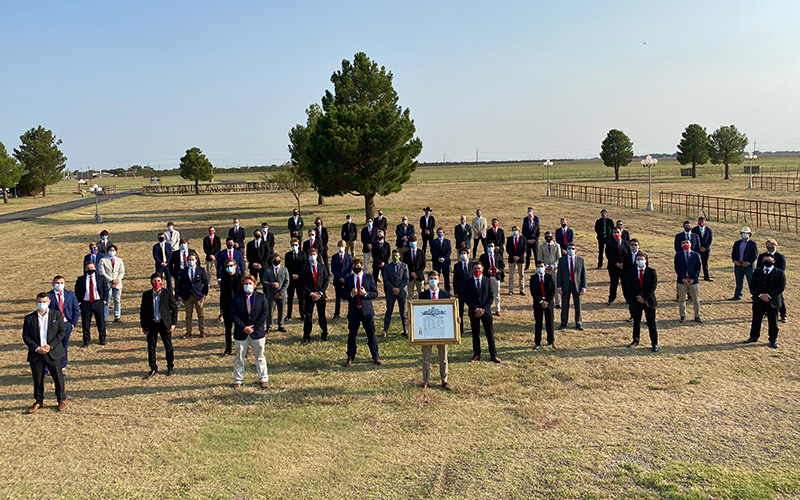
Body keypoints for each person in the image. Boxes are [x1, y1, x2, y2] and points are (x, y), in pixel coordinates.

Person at [23, 293, 66, 413]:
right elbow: (26, 336)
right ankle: (38, 401)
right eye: (40, 302)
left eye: (44, 301)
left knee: (58, 377)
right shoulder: (29, 318)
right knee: (37, 379)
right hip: (36, 354)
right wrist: (37, 348)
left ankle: (61, 400)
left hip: (53, 352)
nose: (42, 304)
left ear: (49, 302)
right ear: (36, 302)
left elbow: (61, 332)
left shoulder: (56, 315)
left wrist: (50, 346)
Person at [231, 275, 270, 389]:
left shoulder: (261, 297)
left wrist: (254, 327)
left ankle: (263, 379)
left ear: (254, 285)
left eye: (250, 283)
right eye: (246, 283)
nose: (248, 285)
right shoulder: (237, 298)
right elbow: (233, 314)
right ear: (243, 285)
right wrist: (244, 327)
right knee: (239, 357)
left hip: (257, 333)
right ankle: (238, 380)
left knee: (260, 357)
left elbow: (264, 313)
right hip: (241, 333)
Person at [418, 271, 452, 390]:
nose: (433, 280)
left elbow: (450, 312)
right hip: (427, 331)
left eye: (435, 278)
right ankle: (426, 380)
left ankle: (444, 379)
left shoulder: (446, 295)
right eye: (431, 278)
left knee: (443, 357)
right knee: (426, 358)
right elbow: (418, 313)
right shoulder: (422, 296)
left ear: (439, 280)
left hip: (442, 331)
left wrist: (455, 319)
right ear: (427, 280)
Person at [140, 273, 178, 379]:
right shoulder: (146, 295)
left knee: (168, 346)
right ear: (151, 282)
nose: (156, 283)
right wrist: (143, 325)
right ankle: (153, 368)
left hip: (164, 323)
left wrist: (173, 323)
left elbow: (174, 308)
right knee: (151, 347)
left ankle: (170, 366)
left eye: (158, 281)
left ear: (162, 282)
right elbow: (143, 311)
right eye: (154, 281)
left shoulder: (167, 293)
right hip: (151, 324)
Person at [344, 258, 382, 366]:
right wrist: (351, 294)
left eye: (359, 265)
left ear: (362, 266)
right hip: (354, 311)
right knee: (352, 335)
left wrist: (365, 294)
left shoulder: (369, 278)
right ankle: (350, 357)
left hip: (367, 311)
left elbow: (375, 293)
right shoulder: (348, 279)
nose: (357, 267)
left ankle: (375, 356)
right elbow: (343, 295)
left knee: (371, 335)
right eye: (355, 266)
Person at [743, 255, 785, 349]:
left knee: (773, 321)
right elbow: (752, 285)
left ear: (773, 261)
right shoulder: (757, 271)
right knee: (756, 319)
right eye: (765, 259)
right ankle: (753, 336)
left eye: (769, 259)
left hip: (773, 301)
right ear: (762, 261)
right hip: (759, 300)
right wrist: (760, 295)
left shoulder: (779, 273)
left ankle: (773, 340)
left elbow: (780, 288)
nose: (767, 261)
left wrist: (768, 295)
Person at [464, 262, 500, 363]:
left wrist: (483, 309)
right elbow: (467, 298)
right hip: (474, 312)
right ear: (472, 270)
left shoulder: (488, 281)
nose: (477, 270)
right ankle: (476, 354)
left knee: (490, 333)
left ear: (482, 269)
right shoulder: (468, 282)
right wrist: (475, 309)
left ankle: (493, 354)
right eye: (475, 268)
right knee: (475, 334)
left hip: (486, 312)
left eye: (479, 268)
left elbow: (491, 296)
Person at [626, 252, 659, 352]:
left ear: (646, 260)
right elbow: (629, 286)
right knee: (636, 321)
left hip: (649, 301)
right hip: (636, 301)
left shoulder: (652, 272)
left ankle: (654, 343)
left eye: (641, 259)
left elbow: (653, 287)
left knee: (651, 322)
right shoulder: (631, 272)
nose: (640, 261)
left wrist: (644, 297)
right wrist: (638, 297)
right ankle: (635, 339)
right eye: (638, 259)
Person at [48, 276, 79, 376]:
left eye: (61, 282)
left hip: (66, 324)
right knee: (52, 345)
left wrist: (73, 323)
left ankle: (62, 366)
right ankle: (48, 368)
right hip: (53, 326)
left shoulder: (70, 294)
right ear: (53, 284)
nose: (59, 284)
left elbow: (76, 309)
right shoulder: (49, 296)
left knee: (64, 346)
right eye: (57, 282)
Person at [75, 261, 110, 346]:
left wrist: (104, 301)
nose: (90, 269)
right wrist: (79, 302)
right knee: (86, 323)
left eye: (91, 267)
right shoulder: (80, 279)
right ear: (85, 269)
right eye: (88, 268)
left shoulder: (101, 278)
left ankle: (102, 339)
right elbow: (77, 291)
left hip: (98, 303)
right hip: (85, 304)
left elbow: (106, 290)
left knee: (100, 322)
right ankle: (86, 340)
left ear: (95, 268)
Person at [301, 249, 330, 344]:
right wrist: (311, 293)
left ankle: (324, 333)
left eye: (314, 254)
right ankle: (306, 336)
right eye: (310, 254)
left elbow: (326, 279)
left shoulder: (322, 267)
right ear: (308, 256)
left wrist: (321, 292)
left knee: (322, 315)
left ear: (317, 255)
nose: (312, 256)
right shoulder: (304, 268)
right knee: (308, 316)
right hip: (310, 296)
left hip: (320, 295)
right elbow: (303, 283)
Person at [178, 253, 209, 339]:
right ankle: (188, 331)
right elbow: (180, 284)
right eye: (189, 260)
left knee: (200, 314)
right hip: (187, 296)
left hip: (198, 295)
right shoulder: (184, 271)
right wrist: (180, 296)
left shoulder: (201, 270)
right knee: (188, 315)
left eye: (193, 260)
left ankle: (202, 331)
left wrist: (204, 294)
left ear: (196, 260)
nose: (191, 261)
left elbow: (205, 283)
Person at [557, 243, 587, 331]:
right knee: (565, 305)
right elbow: (559, 274)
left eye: (573, 248)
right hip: (566, 285)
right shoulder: (562, 260)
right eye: (569, 248)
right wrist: (559, 286)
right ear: (567, 250)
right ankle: (563, 322)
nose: (571, 250)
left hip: (576, 286)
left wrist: (584, 287)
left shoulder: (580, 260)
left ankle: (578, 322)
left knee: (578, 305)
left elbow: (583, 274)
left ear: (575, 250)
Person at [757, 239, 787, 322]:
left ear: (775, 245)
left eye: (771, 245)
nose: (769, 247)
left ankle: (783, 314)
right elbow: (759, 267)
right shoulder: (762, 256)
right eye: (767, 245)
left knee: (779, 297)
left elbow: (782, 269)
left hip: (775, 280)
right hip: (765, 279)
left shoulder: (780, 257)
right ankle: (765, 312)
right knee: (764, 296)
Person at [674, 238, 702, 323]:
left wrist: (693, 278)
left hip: (693, 280)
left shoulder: (696, 255)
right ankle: (682, 315)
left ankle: (697, 315)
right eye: (683, 243)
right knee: (682, 299)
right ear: (681, 245)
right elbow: (677, 268)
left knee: (695, 299)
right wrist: (682, 278)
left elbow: (698, 268)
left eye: (687, 242)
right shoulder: (678, 255)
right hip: (682, 280)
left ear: (690, 243)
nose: (685, 244)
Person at [383, 249, 409, 337]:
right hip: (390, 292)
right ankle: (385, 330)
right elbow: (386, 280)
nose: (395, 257)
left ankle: (406, 329)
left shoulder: (404, 266)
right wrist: (392, 288)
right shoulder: (387, 267)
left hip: (401, 292)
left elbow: (406, 279)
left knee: (403, 312)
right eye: (393, 256)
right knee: (389, 311)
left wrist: (399, 288)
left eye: (396, 256)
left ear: (400, 256)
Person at [530, 261, 556, 350]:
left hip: (549, 303)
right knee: (538, 323)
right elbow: (533, 292)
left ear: (545, 267)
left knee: (550, 322)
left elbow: (553, 291)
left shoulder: (550, 277)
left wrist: (547, 301)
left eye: (541, 266)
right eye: (538, 266)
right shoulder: (533, 278)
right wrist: (541, 301)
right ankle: (537, 342)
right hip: (538, 304)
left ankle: (551, 341)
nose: (540, 268)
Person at [219, 259, 242, 356]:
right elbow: (222, 295)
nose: (229, 268)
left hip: (238, 308)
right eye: (227, 266)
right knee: (228, 329)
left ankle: (240, 349)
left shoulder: (241, 278)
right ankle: (228, 348)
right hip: (227, 307)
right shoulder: (224, 279)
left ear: (235, 266)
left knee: (239, 329)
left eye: (231, 265)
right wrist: (221, 309)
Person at [262, 253, 289, 333]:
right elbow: (263, 281)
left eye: (278, 259)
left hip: (282, 294)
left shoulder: (284, 270)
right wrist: (271, 284)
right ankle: (269, 326)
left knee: (281, 310)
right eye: (274, 259)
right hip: (271, 294)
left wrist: (280, 292)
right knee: (270, 311)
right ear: (272, 260)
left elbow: (287, 282)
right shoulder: (268, 270)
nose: (276, 261)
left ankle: (281, 325)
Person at [730, 226, 758, 301]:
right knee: (739, 282)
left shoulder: (753, 244)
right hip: (738, 265)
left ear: (749, 234)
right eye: (743, 233)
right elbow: (733, 254)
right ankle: (737, 295)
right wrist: (736, 262)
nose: (745, 234)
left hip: (749, 267)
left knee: (751, 282)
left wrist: (748, 263)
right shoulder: (737, 243)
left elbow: (755, 255)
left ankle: (755, 297)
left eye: (746, 233)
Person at [98, 244, 125, 322]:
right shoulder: (103, 260)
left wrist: (117, 280)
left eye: (113, 250)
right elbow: (102, 272)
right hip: (107, 283)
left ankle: (117, 316)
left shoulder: (119, 260)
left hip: (118, 283)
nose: (112, 252)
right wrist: (111, 280)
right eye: (110, 250)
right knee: (106, 301)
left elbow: (121, 272)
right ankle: (105, 317)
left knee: (117, 300)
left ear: (116, 251)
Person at [604, 229, 629, 306]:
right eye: (614, 232)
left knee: (625, 284)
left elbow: (628, 255)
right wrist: (617, 263)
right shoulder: (609, 243)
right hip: (613, 267)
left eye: (617, 232)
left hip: (624, 267)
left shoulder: (626, 243)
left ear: (621, 233)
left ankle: (628, 299)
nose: (616, 234)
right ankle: (611, 298)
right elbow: (608, 255)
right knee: (614, 283)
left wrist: (623, 264)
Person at [479, 242, 504, 316]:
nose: (490, 247)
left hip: (496, 277)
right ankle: (486, 309)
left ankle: (497, 309)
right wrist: (486, 271)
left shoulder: (498, 255)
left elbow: (503, 265)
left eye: (492, 246)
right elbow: (480, 266)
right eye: (489, 246)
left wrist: (499, 270)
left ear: (494, 247)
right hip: (487, 277)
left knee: (496, 294)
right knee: (486, 294)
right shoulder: (483, 256)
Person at [284, 239, 307, 322]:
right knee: (290, 297)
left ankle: (302, 314)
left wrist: (298, 274)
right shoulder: (288, 255)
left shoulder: (303, 254)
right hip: (291, 279)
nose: (294, 246)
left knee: (301, 297)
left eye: (296, 245)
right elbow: (287, 267)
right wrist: (292, 274)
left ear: (299, 245)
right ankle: (289, 314)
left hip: (300, 279)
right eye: (293, 245)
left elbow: (304, 266)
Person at [537, 232, 561, 309]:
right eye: (546, 236)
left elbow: (559, 258)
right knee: (546, 286)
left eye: (549, 236)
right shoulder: (541, 246)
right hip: (545, 270)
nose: (548, 238)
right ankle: (547, 301)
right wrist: (546, 266)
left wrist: (554, 265)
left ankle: (558, 302)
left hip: (554, 270)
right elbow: (539, 258)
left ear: (552, 237)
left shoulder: (557, 246)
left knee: (556, 286)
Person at [331, 241, 353, 319]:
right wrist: (340, 278)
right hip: (338, 280)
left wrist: (345, 278)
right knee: (338, 298)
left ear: (345, 247)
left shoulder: (349, 257)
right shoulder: (334, 257)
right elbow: (333, 269)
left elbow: (350, 269)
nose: (341, 247)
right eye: (340, 246)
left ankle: (349, 313)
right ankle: (337, 313)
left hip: (347, 280)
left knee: (349, 297)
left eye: (342, 246)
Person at [452, 248, 472, 322]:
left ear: (467, 254)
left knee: (472, 311)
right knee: (460, 311)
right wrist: (456, 292)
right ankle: (460, 329)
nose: (463, 255)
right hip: (461, 291)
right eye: (461, 253)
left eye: (464, 253)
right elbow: (455, 280)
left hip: (471, 291)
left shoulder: (472, 264)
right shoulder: (457, 266)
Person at [506, 225, 526, 295]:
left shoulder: (523, 239)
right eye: (513, 230)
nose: (515, 231)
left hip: (520, 259)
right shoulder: (509, 239)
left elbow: (524, 249)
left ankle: (522, 289)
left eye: (516, 230)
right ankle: (511, 290)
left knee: (521, 275)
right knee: (511, 275)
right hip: (512, 259)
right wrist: (513, 256)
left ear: (519, 231)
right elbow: (508, 249)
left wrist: (519, 256)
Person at [430, 227, 452, 292]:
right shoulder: (434, 242)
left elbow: (449, 251)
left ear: (443, 233)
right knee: (436, 277)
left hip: (445, 262)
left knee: (446, 277)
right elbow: (433, 251)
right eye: (439, 232)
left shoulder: (447, 241)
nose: (440, 234)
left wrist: (443, 258)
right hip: (436, 262)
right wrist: (438, 258)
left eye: (441, 232)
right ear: (437, 233)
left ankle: (447, 291)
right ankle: (436, 290)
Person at [692, 217, 714, 281]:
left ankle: (706, 277)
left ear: (705, 222)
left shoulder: (708, 230)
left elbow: (710, 240)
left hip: (706, 250)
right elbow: (694, 240)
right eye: (700, 221)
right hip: (697, 249)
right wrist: (699, 247)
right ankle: (694, 276)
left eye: (702, 221)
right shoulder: (694, 230)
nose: (701, 222)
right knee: (696, 263)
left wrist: (705, 247)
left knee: (705, 264)